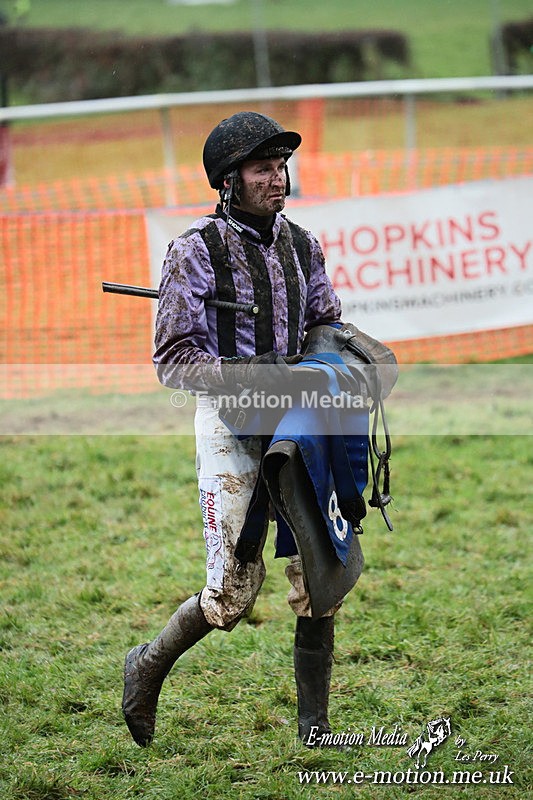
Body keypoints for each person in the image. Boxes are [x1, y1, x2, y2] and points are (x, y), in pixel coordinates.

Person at [122, 111, 351, 749]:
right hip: (230, 429)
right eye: (262, 169)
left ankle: (316, 730)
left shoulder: (304, 244)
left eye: (281, 167)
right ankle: (147, 663)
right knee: (232, 594)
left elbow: (325, 322)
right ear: (229, 181)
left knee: (320, 572)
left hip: (301, 428)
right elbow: (174, 362)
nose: (277, 179)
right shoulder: (192, 252)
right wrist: (262, 373)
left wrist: (331, 359)